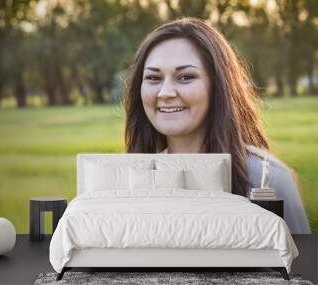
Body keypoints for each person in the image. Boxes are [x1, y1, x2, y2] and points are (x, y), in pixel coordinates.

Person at [123, 17, 310, 234]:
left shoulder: (266, 179)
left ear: (217, 86)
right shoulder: (131, 180)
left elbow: (300, 266)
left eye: (185, 77)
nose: (165, 93)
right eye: (153, 78)